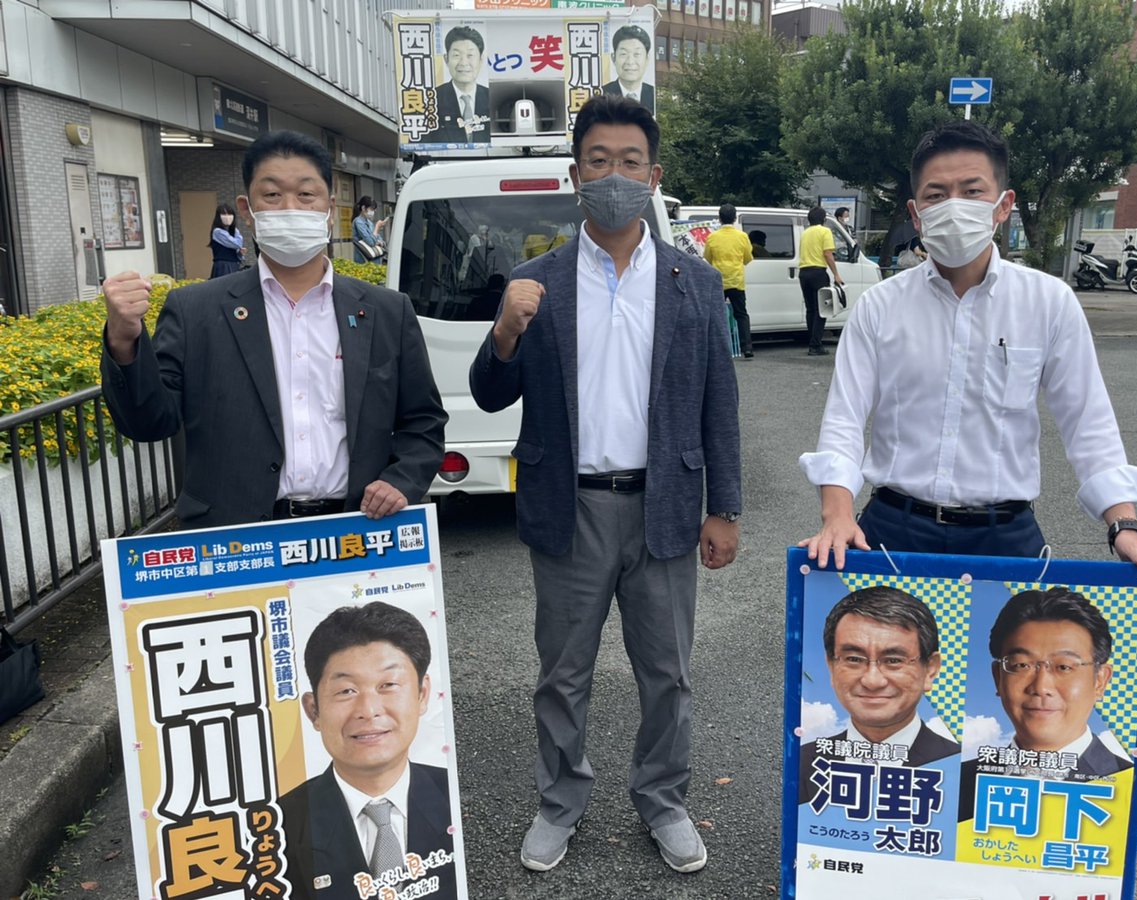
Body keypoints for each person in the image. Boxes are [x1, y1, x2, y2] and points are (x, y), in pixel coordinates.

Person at [469, 94, 741, 876]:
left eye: (629, 162)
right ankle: (560, 802)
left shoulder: (694, 283)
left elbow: (719, 401)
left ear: (653, 176)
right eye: (598, 161)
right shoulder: (536, 281)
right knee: (562, 675)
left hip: (665, 506)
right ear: (575, 175)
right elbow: (489, 393)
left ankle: (664, 800)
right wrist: (505, 331)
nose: (614, 176)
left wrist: (724, 507)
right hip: (571, 507)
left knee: (669, 674)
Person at [798, 120, 1137, 606]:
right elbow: (844, 417)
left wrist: (1123, 523)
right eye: (936, 195)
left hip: (1005, 536)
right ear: (915, 213)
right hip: (893, 530)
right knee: (875, 656)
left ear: (1003, 204)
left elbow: (1088, 420)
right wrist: (837, 514)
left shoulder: (1047, 302)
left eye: (972, 191)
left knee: (1017, 656)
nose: (954, 205)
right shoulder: (880, 306)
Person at [100, 130, 447, 529]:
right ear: (247, 209)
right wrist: (123, 338)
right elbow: (149, 422)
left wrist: (401, 479)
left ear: (329, 208)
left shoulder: (386, 311)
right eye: (272, 195)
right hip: (238, 539)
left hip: (357, 531)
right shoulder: (195, 311)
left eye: (306, 195)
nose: (290, 208)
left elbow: (423, 422)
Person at [279, 602, 456, 899]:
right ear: (314, 710)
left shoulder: (454, 794)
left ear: (422, 694)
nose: (369, 710)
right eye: (346, 690)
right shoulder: (275, 825)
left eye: (388, 685)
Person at [958, 587, 1132, 821]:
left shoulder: (1129, 783)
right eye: (1021, 665)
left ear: (1100, 681)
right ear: (998, 677)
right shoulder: (954, 781)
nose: (1041, 687)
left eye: (1064, 667)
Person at [799, 586, 959, 804]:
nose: (872, 681)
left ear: (930, 669)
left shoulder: (960, 768)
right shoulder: (801, 762)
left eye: (893, 660)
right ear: (831, 666)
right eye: (854, 659)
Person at [703, 203, 755, 359]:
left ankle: (718, 347)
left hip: (718, 281)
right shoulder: (742, 236)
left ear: (719, 218)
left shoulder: (712, 237)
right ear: (734, 218)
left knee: (716, 315)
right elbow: (748, 258)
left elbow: (708, 258)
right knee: (741, 314)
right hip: (736, 280)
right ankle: (747, 348)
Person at [427, 26, 490, 144]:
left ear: (481, 60)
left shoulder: (492, 98)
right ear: (446, 59)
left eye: (470, 55)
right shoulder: (431, 100)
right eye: (456, 55)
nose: (464, 63)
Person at [797, 207, 843, 357]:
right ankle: (815, 345)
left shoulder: (805, 233)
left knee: (810, 309)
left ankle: (812, 342)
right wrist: (836, 274)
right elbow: (828, 254)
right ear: (823, 219)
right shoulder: (825, 231)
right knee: (821, 310)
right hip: (818, 272)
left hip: (804, 273)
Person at [602, 25, 655, 111]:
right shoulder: (602, 95)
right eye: (623, 54)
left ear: (647, 59)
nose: (630, 62)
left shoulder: (654, 95)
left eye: (637, 54)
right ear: (613, 58)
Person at [209, 203, 245, 278]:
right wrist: (235, 231)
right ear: (218, 217)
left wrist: (240, 253)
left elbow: (236, 249)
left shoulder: (231, 231)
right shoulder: (218, 232)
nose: (227, 217)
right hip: (224, 266)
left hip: (234, 264)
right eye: (224, 214)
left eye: (229, 214)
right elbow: (237, 244)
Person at [352, 195, 387, 264]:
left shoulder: (369, 223)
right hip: (364, 260)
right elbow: (370, 242)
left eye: (374, 210)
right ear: (363, 208)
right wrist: (377, 227)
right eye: (371, 209)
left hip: (375, 259)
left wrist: (381, 242)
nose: (373, 212)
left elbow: (379, 239)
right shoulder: (358, 222)